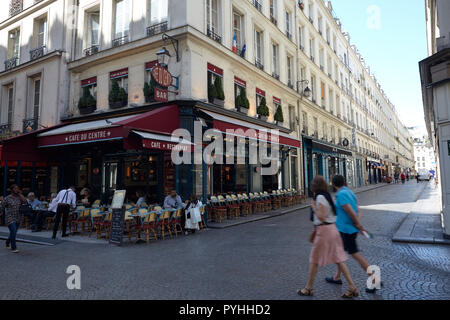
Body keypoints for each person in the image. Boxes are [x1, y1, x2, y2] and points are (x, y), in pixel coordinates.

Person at [297, 176, 358, 298]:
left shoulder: (320, 197)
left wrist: (314, 207)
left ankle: (308, 288)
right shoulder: (326, 195)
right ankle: (352, 287)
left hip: (324, 231)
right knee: (338, 259)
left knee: (314, 259)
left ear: (315, 187)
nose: (310, 187)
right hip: (331, 229)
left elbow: (322, 217)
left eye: (312, 185)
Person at [327, 175, 381, 294]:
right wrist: (357, 222)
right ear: (344, 182)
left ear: (334, 184)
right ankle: (337, 276)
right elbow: (358, 210)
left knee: (355, 254)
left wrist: (357, 224)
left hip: (345, 230)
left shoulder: (341, 195)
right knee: (338, 253)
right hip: (348, 229)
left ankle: (374, 278)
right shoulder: (349, 192)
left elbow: (349, 210)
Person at [1, 185, 27, 253]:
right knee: (14, 230)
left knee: (13, 232)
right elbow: (2, 207)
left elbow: (25, 201)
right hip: (10, 217)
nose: (17, 189)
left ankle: (7, 242)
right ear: (12, 190)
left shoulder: (19, 197)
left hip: (18, 217)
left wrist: (20, 193)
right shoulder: (7, 198)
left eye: (18, 188)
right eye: (15, 188)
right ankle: (14, 247)